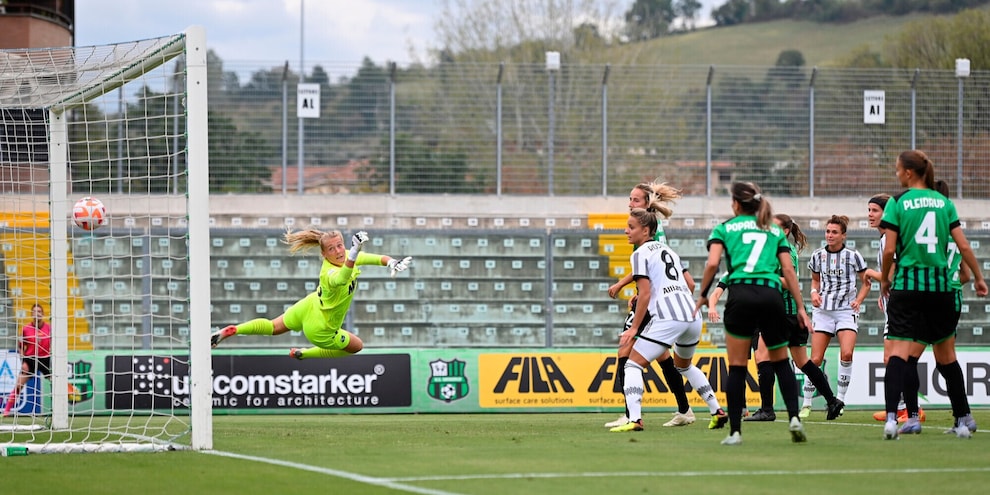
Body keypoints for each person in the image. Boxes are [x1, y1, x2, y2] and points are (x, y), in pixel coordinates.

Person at [879, 150, 987, 440]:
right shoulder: (944, 203)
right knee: (947, 357)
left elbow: (889, 250)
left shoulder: (897, 202)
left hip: (908, 286)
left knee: (899, 355)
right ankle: (963, 418)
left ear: (909, 173)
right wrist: (978, 277)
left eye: (898, 169)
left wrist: (885, 280)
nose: (897, 173)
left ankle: (893, 419)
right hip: (941, 291)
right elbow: (963, 247)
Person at [695, 182, 813, 446]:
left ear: (736, 204)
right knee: (781, 361)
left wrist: (703, 295)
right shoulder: (774, 230)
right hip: (771, 295)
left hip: (740, 296)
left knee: (737, 367)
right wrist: (801, 308)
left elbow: (713, 263)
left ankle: (735, 432)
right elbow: (789, 272)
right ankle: (794, 418)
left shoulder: (724, 228)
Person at [709, 214, 844, 424]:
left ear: (786, 231)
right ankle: (832, 400)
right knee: (802, 362)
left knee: (763, 357)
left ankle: (767, 410)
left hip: (782, 312)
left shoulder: (783, 250)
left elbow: (789, 281)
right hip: (790, 313)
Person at [609, 208, 728, 432]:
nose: (626, 231)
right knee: (684, 366)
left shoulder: (639, 254)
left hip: (668, 316)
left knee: (633, 365)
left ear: (645, 231)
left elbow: (644, 294)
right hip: (691, 314)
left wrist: (634, 328)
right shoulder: (668, 250)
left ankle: (635, 419)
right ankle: (717, 410)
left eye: (631, 227)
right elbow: (689, 284)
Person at [210, 229, 412, 359]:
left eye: (340, 245)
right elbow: (341, 278)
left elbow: (377, 258)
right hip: (320, 327)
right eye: (332, 249)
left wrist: (392, 262)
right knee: (356, 346)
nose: (338, 251)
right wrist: (353, 253)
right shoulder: (329, 272)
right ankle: (304, 354)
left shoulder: (350, 257)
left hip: (309, 305)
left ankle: (234, 329)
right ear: (324, 254)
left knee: (273, 327)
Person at [604, 181, 700, 429]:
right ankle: (684, 409)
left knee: (626, 350)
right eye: (630, 199)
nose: (630, 203)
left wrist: (623, 285)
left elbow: (648, 268)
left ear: (647, 204)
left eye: (635, 200)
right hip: (655, 298)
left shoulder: (648, 231)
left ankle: (630, 414)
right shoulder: (652, 228)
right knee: (664, 357)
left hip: (654, 302)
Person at [864, 194, 926, 424]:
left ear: (887, 213)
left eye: (874, 211)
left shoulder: (890, 238)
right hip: (894, 303)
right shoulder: (884, 238)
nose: (870, 215)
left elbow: (893, 272)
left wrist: (872, 275)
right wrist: (883, 293)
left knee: (894, 358)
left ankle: (907, 408)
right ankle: (905, 407)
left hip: (901, 305)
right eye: (869, 210)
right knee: (894, 358)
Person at [800, 215, 870, 418]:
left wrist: (859, 300)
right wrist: (814, 294)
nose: (829, 235)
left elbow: (866, 282)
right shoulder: (817, 256)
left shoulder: (853, 256)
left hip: (846, 312)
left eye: (834, 232)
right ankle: (806, 403)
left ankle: (840, 400)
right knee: (815, 359)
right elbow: (814, 282)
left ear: (843, 235)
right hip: (823, 312)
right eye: (828, 231)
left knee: (846, 354)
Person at [3, 303, 52, 417]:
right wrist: (23, 360)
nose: (37, 313)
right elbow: (21, 346)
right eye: (34, 311)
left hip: (45, 360)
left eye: (39, 311)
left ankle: (66, 404)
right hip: (30, 360)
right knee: (19, 385)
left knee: (57, 383)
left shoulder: (49, 328)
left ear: (43, 314)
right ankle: (6, 411)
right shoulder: (26, 329)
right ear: (31, 314)